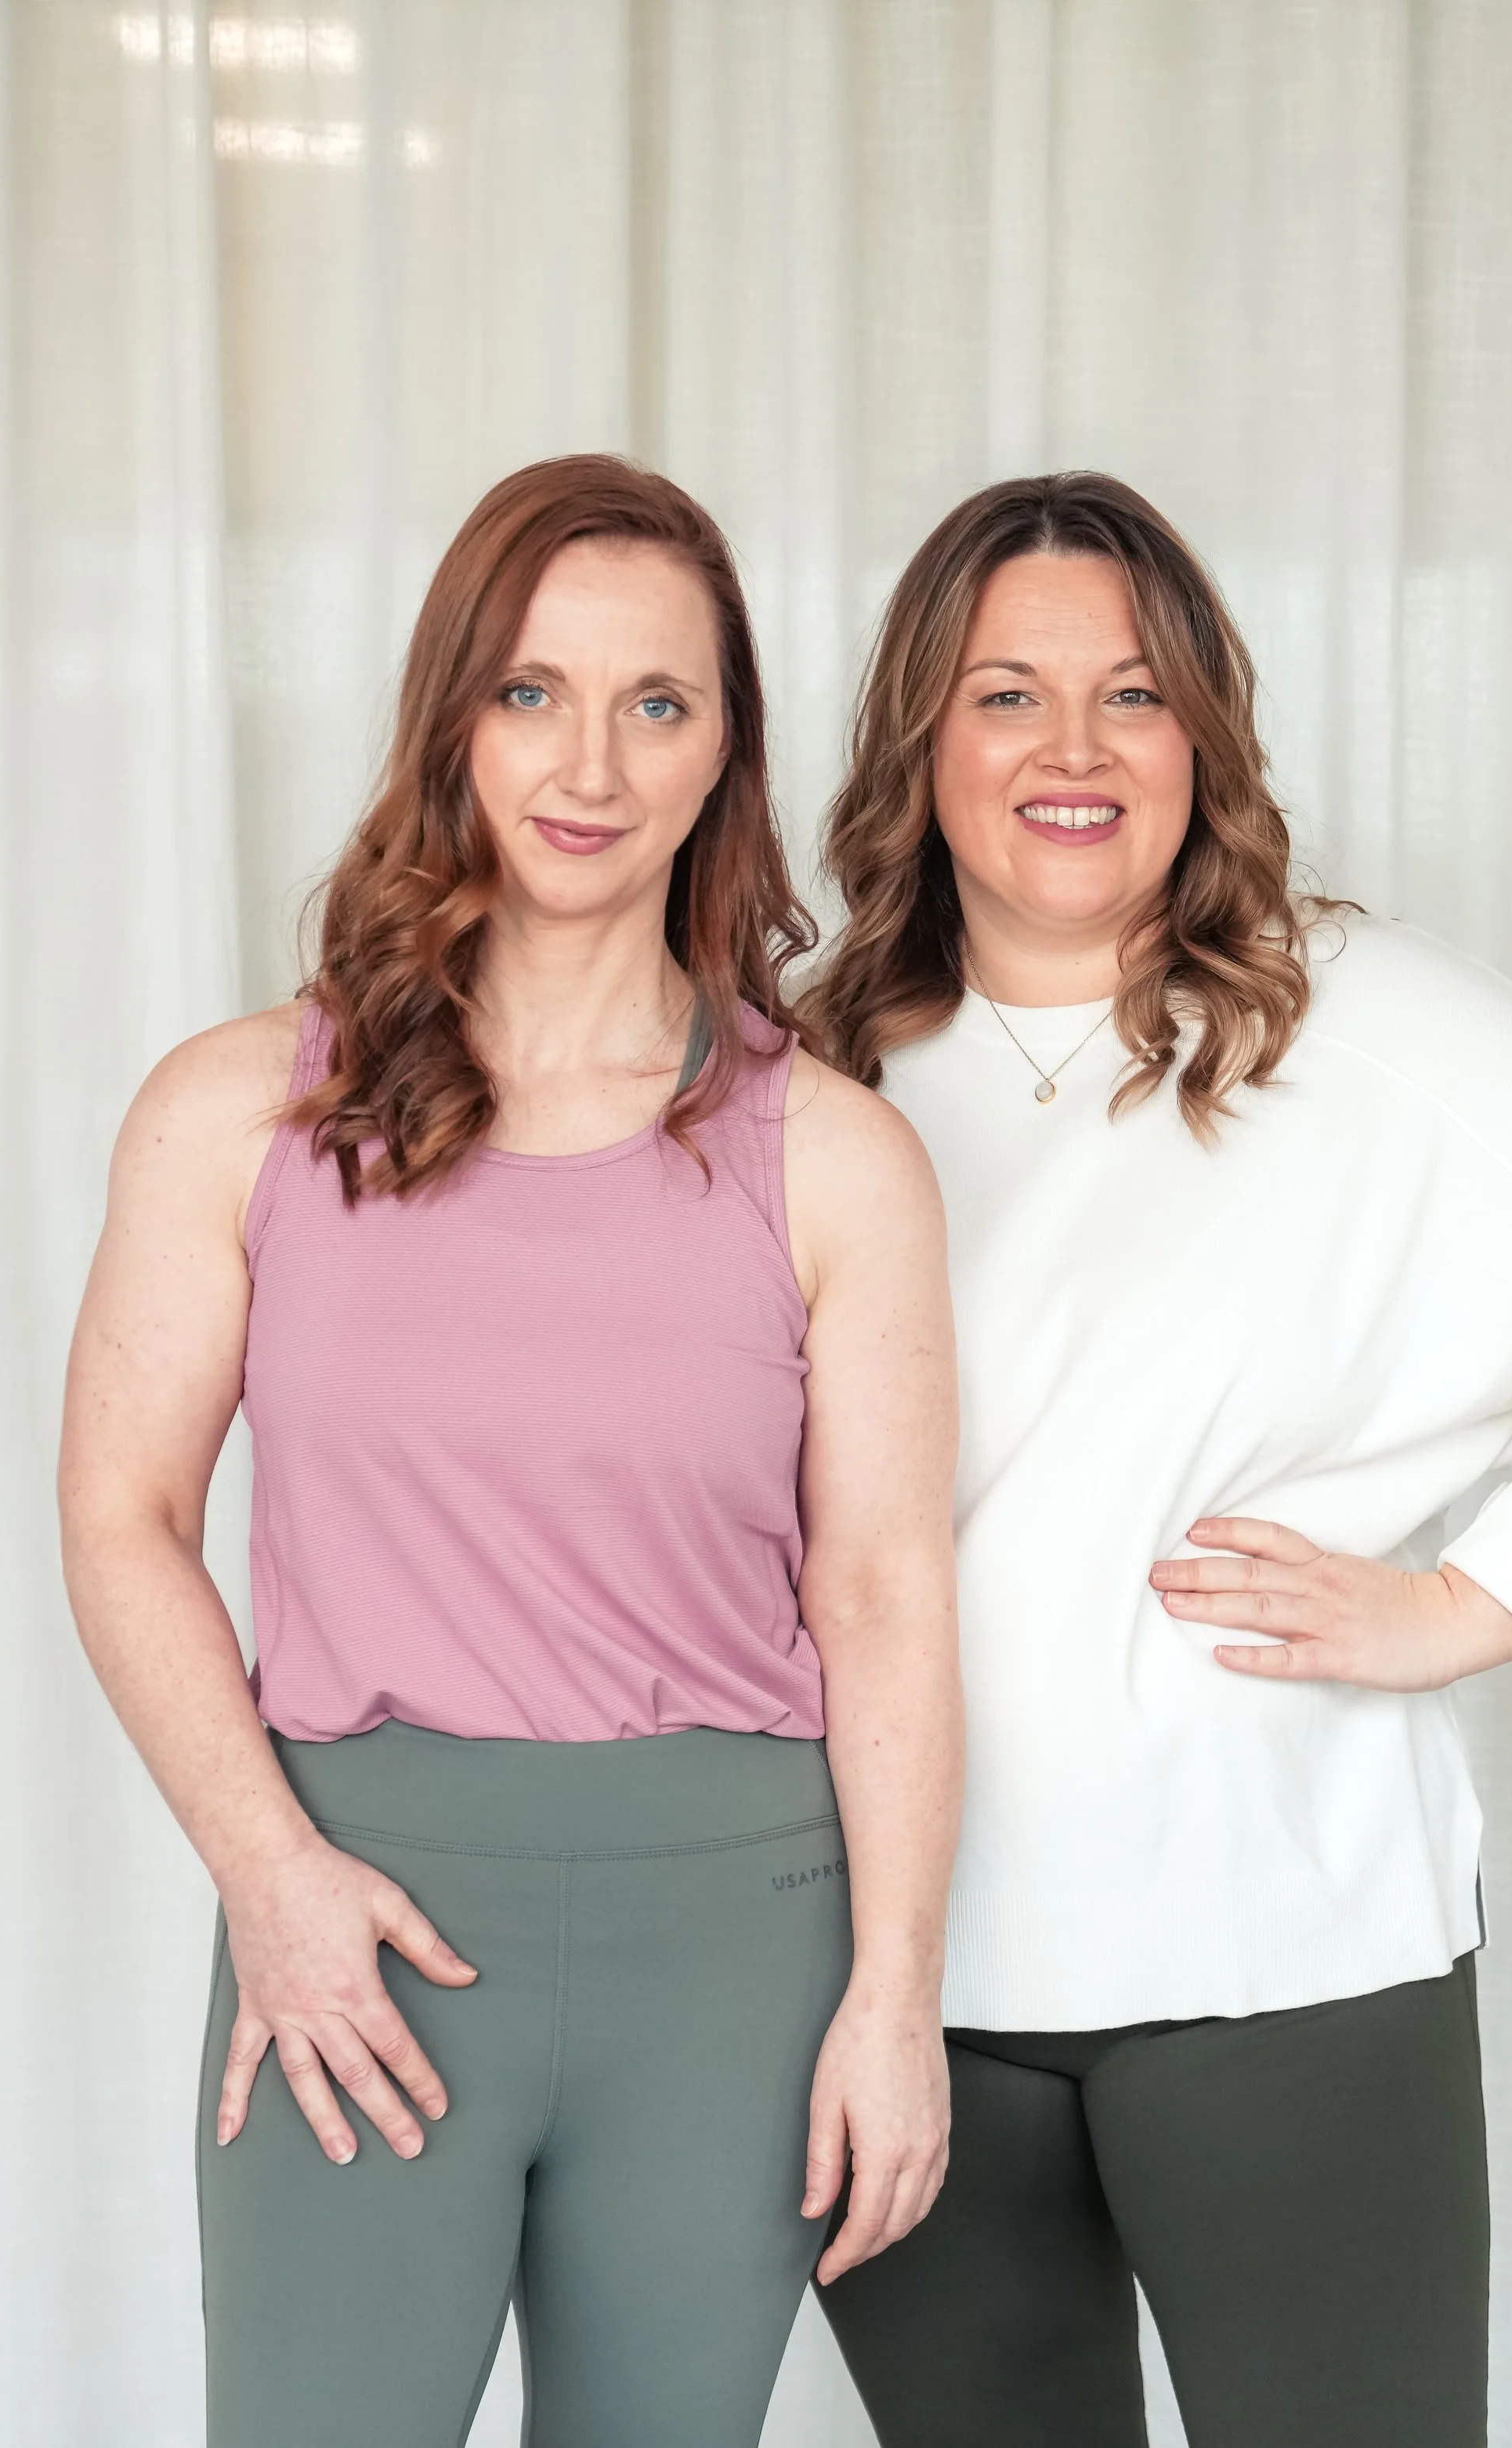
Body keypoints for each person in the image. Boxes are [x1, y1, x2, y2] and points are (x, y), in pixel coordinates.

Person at [803, 470, 1512, 2447]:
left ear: (1205, 735)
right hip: (896, 1981)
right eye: (1006, 694)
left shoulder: (1367, 1021)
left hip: (1281, 1955)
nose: (1072, 751)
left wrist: (1462, 1604)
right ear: (921, 741)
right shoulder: (810, 1067)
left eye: (1133, 695)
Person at [57, 455, 963, 2448]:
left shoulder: (831, 1154)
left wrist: (891, 1991)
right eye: (535, 691)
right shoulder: (235, 1111)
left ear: (725, 750)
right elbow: (122, 1516)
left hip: (736, 1929)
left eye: (662, 703)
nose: (594, 762)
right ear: (451, 714)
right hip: (358, 1917)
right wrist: (265, 1868)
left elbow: (883, 1589)